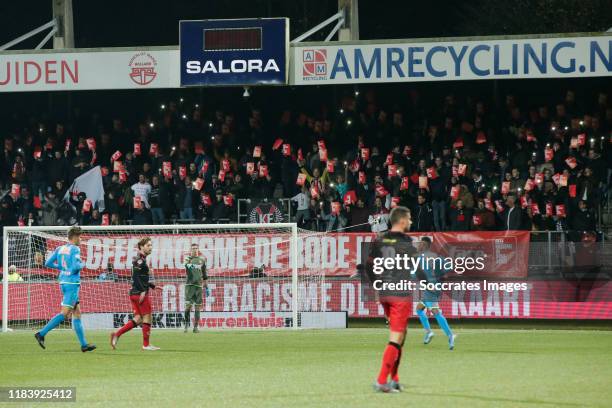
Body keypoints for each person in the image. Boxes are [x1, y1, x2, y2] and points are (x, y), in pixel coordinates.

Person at [368, 206, 414, 393]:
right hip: (399, 295)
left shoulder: (379, 240)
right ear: (402, 221)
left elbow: (369, 266)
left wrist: (377, 286)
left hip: (385, 293)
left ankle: (394, 379)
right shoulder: (406, 241)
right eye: (409, 219)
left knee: (401, 336)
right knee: (396, 338)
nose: (410, 222)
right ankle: (381, 380)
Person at [34, 226, 96, 352]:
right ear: (75, 237)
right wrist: (81, 264)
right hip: (72, 284)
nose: (81, 239)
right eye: (80, 236)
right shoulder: (75, 249)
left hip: (63, 282)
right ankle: (41, 333)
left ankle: (84, 345)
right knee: (65, 313)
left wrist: (62, 268)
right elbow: (75, 267)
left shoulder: (60, 248)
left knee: (77, 313)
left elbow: (48, 263)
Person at [110, 237, 159, 351]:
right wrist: (143, 291)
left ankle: (117, 334)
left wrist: (152, 286)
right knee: (147, 317)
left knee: (138, 319)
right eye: (148, 245)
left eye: (151, 245)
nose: (150, 247)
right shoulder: (140, 260)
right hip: (139, 293)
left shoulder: (141, 259)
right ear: (141, 246)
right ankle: (146, 345)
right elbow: (135, 276)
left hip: (134, 293)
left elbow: (141, 278)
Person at [415, 237, 456, 349]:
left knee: (436, 312)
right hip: (433, 287)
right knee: (419, 309)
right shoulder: (435, 256)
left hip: (431, 287)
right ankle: (429, 332)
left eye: (420, 244)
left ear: (424, 245)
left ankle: (450, 335)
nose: (419, 245)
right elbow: (449, 267)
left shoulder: (422, 257)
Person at [183, 243, 209, 333]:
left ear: (198, 249)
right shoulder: (187, 259)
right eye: (193, 248)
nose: (195, 250)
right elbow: (186, 266)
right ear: (191, 250)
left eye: (196, 248)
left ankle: (195, 327)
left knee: (198, 307)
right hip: (189, 286)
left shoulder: (202, 260)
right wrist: (194, 265)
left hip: (199, 286)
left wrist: (206, 286)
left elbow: (204, 274)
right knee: (188, 307)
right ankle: (186, 324)